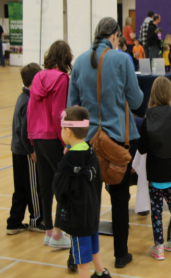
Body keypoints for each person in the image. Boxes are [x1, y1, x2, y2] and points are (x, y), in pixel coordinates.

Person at [68, 17, 144, 268]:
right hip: (119, 140)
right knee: (120, 198)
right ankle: (121, 254)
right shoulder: (122, 59)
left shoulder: (79, 61)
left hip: (87, 141)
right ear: (114, 36)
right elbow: (136, 102)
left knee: (84, 200)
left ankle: (75, 256)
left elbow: (72, 107)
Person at [54, 107, 112, 278]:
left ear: (68, 131)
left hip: (78, 218)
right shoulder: (91, 151)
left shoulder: (68, 161)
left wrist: (57, 224)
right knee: (94, 246)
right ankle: (101, 273)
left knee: (82, 262)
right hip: (92, 212)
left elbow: (60, 191)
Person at [27, 40, 72, 250]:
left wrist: (31, 139)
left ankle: (48, 231)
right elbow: (58, 113)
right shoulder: (63, 79)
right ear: (66, 57)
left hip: (37, 137)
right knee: (62, 185)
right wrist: (66, 141)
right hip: (54, 138)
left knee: (45, 186)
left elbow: (30, 111)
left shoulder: (37, 77)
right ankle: (58, 233)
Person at [137, 76, 171, 260]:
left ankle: (159, 247)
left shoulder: (148, 118)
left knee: (156, 209)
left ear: (153, 93)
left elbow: (142, 148)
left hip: (156, 172)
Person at [6, 63, 44, 235]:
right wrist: (33, 152)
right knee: (33, 188)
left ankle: (14, 222)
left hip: (17, 151)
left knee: (20, 188)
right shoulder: (28, 101)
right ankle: (36, 219)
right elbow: (24, 133)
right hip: (25, 152)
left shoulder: (22, 97)